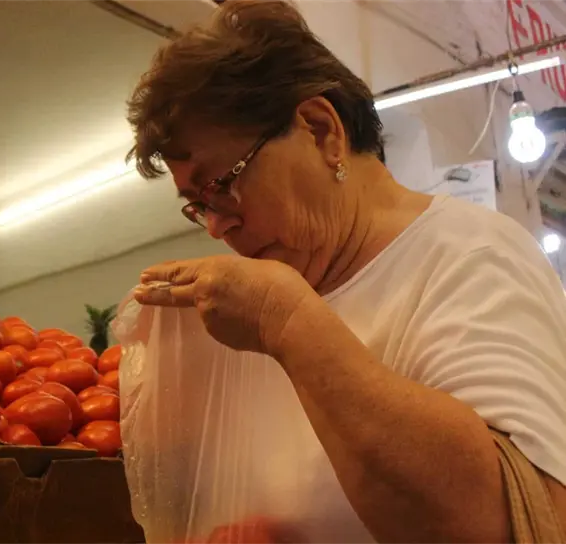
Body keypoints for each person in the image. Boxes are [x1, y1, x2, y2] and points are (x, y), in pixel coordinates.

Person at [126, 0, 566, 542]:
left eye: (222, 185)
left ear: (319, 130)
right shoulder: (262, 300)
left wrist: (286, 323)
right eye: (199, 207)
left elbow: (520, 518)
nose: (217, 228)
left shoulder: (471, 255)